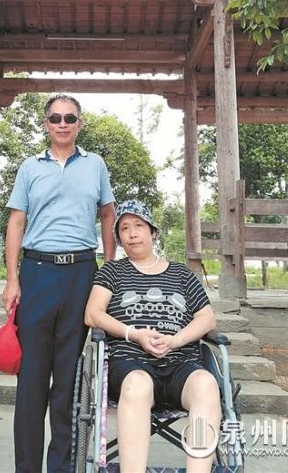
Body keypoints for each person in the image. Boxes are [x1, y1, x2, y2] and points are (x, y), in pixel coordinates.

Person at [3, 93, 116, 473]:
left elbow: (107, 214)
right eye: (55, 118)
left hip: (81, 274)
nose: (63, 124)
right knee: (31, 380)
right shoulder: (29, 167)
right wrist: (12, 279)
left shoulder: (95, 165)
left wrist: (108, 268)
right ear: (46, 124)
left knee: (67, 381)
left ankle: (61, 468)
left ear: (79, 123)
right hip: (37, 273)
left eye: (70, 118)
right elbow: (16, 222)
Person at [85, 200, 221, 473]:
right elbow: (92, 314)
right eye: (124, 228)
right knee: (138, 384)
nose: (132, 234)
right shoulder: (112, 272)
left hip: (181, 364)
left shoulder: (182, 273)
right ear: (119, 238)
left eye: (138, 226)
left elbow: (207, 318)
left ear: (153, 232)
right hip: (130, 364)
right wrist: (134, 334)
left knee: (206, 384)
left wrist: (176, 340)